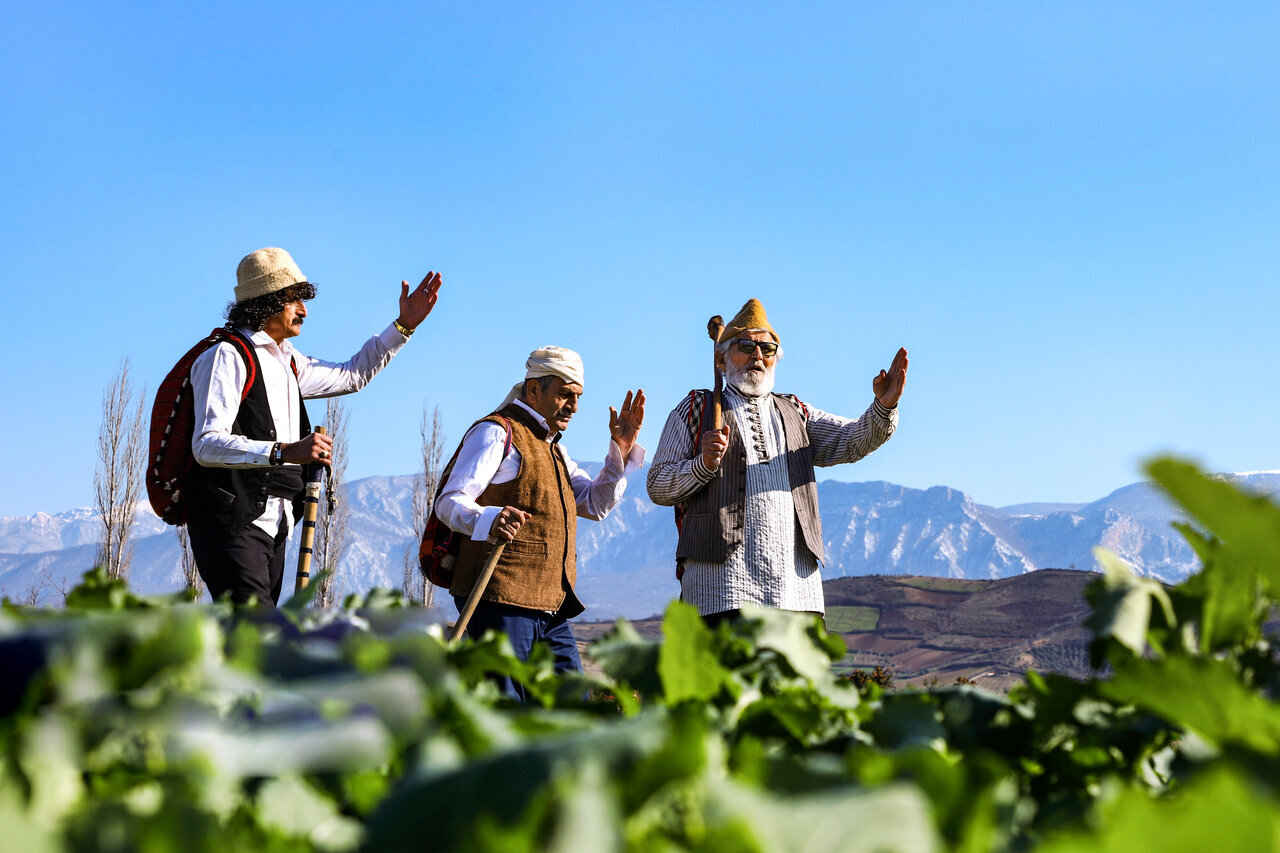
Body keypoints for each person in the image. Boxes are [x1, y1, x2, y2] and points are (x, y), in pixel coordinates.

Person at [186, 247, 442, 606]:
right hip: (230, 523)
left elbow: (352, 375)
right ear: (265, 302)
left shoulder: (289, 361)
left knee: (255, 644)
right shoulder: (225, 357)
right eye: (294, 301)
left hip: (275, 524)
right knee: (253, 635)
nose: (304, 310)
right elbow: (207, 444)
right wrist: (285, 452)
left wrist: (404, 326)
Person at [647, 298, 908, 625]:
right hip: (722, 596)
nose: (758, 356)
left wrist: (883, 407)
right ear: (722, 359)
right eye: (746, 346)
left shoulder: (797, 411)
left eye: (768, 349)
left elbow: (853, 439)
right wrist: (702, 464)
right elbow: (657, 485)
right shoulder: (696, 410)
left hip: (798, 597)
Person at [434, 346, 645, 701]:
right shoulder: (497, 434)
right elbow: (449, 502)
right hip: (499, 600)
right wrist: (490, 517)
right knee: (507, 709)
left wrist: (620, 452)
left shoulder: (556, 450)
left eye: (577, 397)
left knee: (571, 705)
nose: (574, 407)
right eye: (565, 394)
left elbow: (595, 503)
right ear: (534, 390)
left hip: (551, 606)